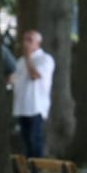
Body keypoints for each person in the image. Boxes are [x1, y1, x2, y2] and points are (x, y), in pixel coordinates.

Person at [9, 28, 55, 158]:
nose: (26, 43)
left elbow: (35, 76)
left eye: (30, 40)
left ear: (37, 43)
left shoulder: (45, 59)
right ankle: (28, 171)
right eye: (24, 40)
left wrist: (28, 57)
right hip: (21, 107)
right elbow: (14, 80)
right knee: (26, 143)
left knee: (35, 142)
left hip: (36, 107)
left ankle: (38, 171)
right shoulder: (20, 62)